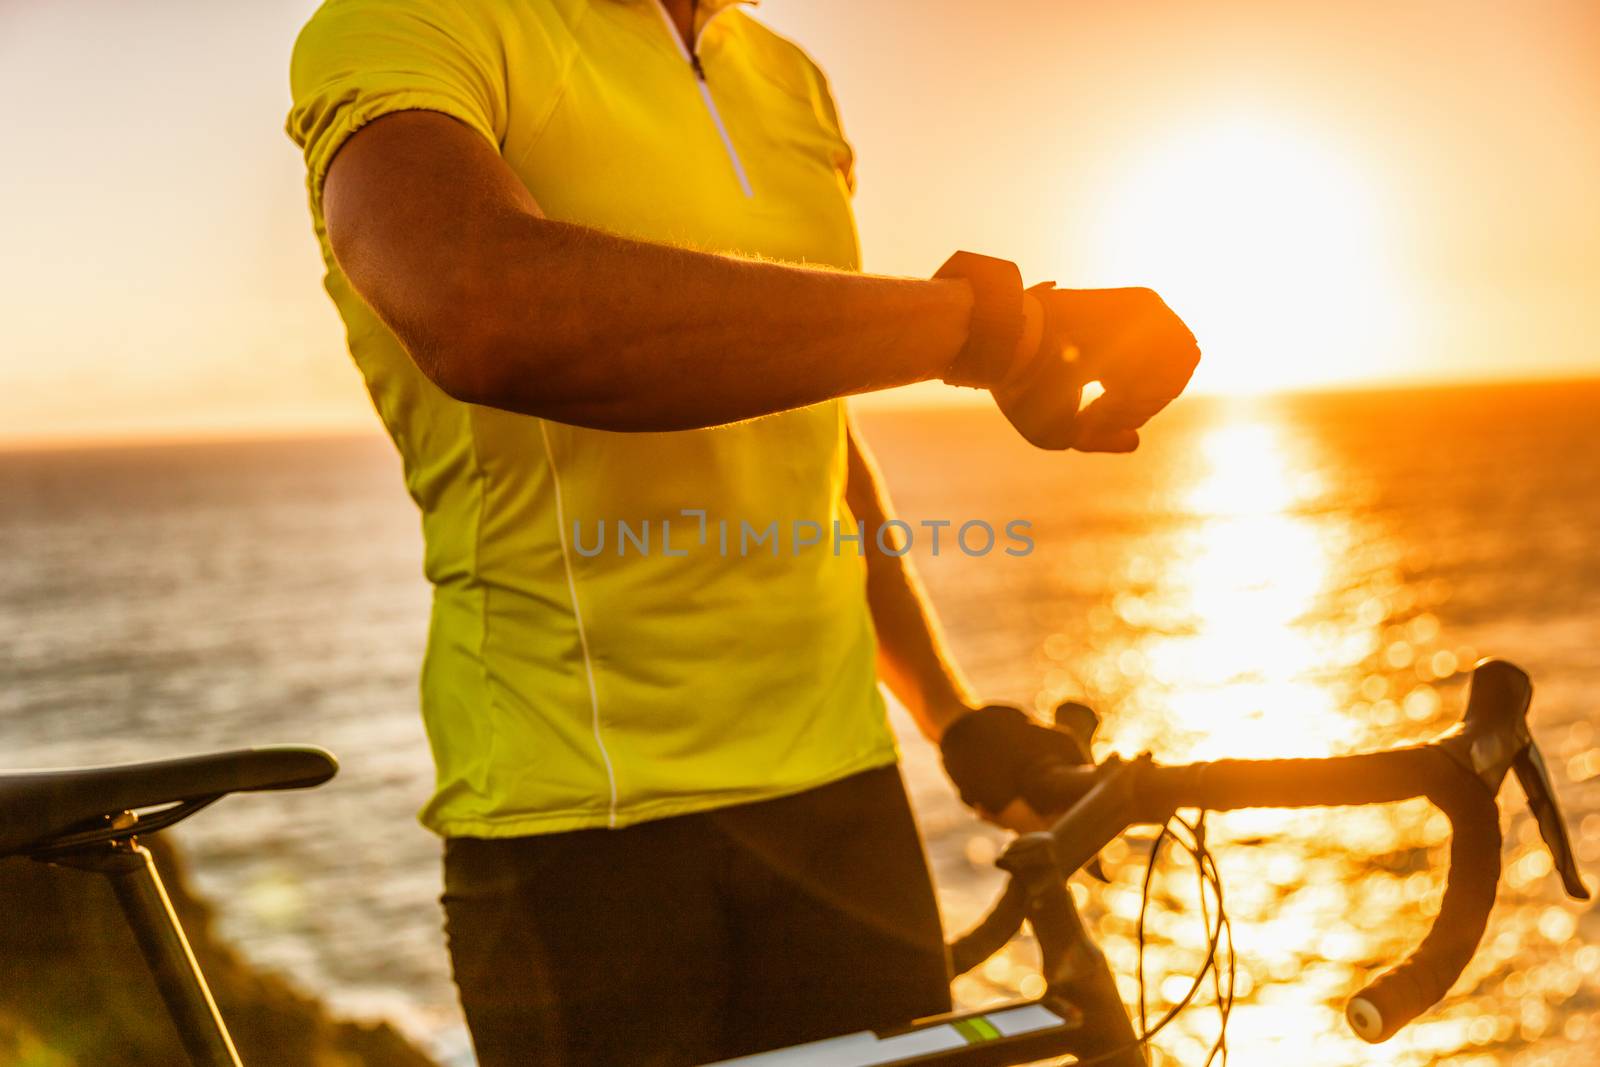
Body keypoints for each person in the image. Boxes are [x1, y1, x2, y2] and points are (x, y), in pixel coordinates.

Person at [285, 1, 1199, 1063]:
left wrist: (948, 717)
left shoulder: (789, 77)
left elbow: (812, 436)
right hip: (582, 819)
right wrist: (983, 327)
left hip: (842, 797)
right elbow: (478, 305)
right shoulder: (407, 23)